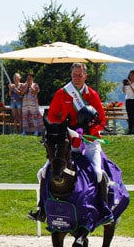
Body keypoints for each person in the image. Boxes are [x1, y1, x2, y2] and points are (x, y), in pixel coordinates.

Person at [29, 62, 108, 222]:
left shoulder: (92, 95)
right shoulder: (62, 93)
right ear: (71, 76)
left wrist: (87, 131)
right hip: (67, 143)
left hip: (89, 143)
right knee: (43, 172)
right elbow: (51, 116)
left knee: (99, 173)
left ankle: (104, 210)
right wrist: (64, 126)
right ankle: (42, 208)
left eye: (80, 75)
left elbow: (102, 120)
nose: (77, 78)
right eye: (74, 75)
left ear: (85, 76)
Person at [122, 70, 134, 134]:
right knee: (129, 115)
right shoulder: (127, 83)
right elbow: (124, 91)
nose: (131, 76)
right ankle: (130, 130)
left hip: (133, 99)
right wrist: (123, 85)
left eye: (133, 75)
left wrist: (130, 85)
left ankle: (133, 130)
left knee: (133, 115)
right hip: (128, 100)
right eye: (130, 75)